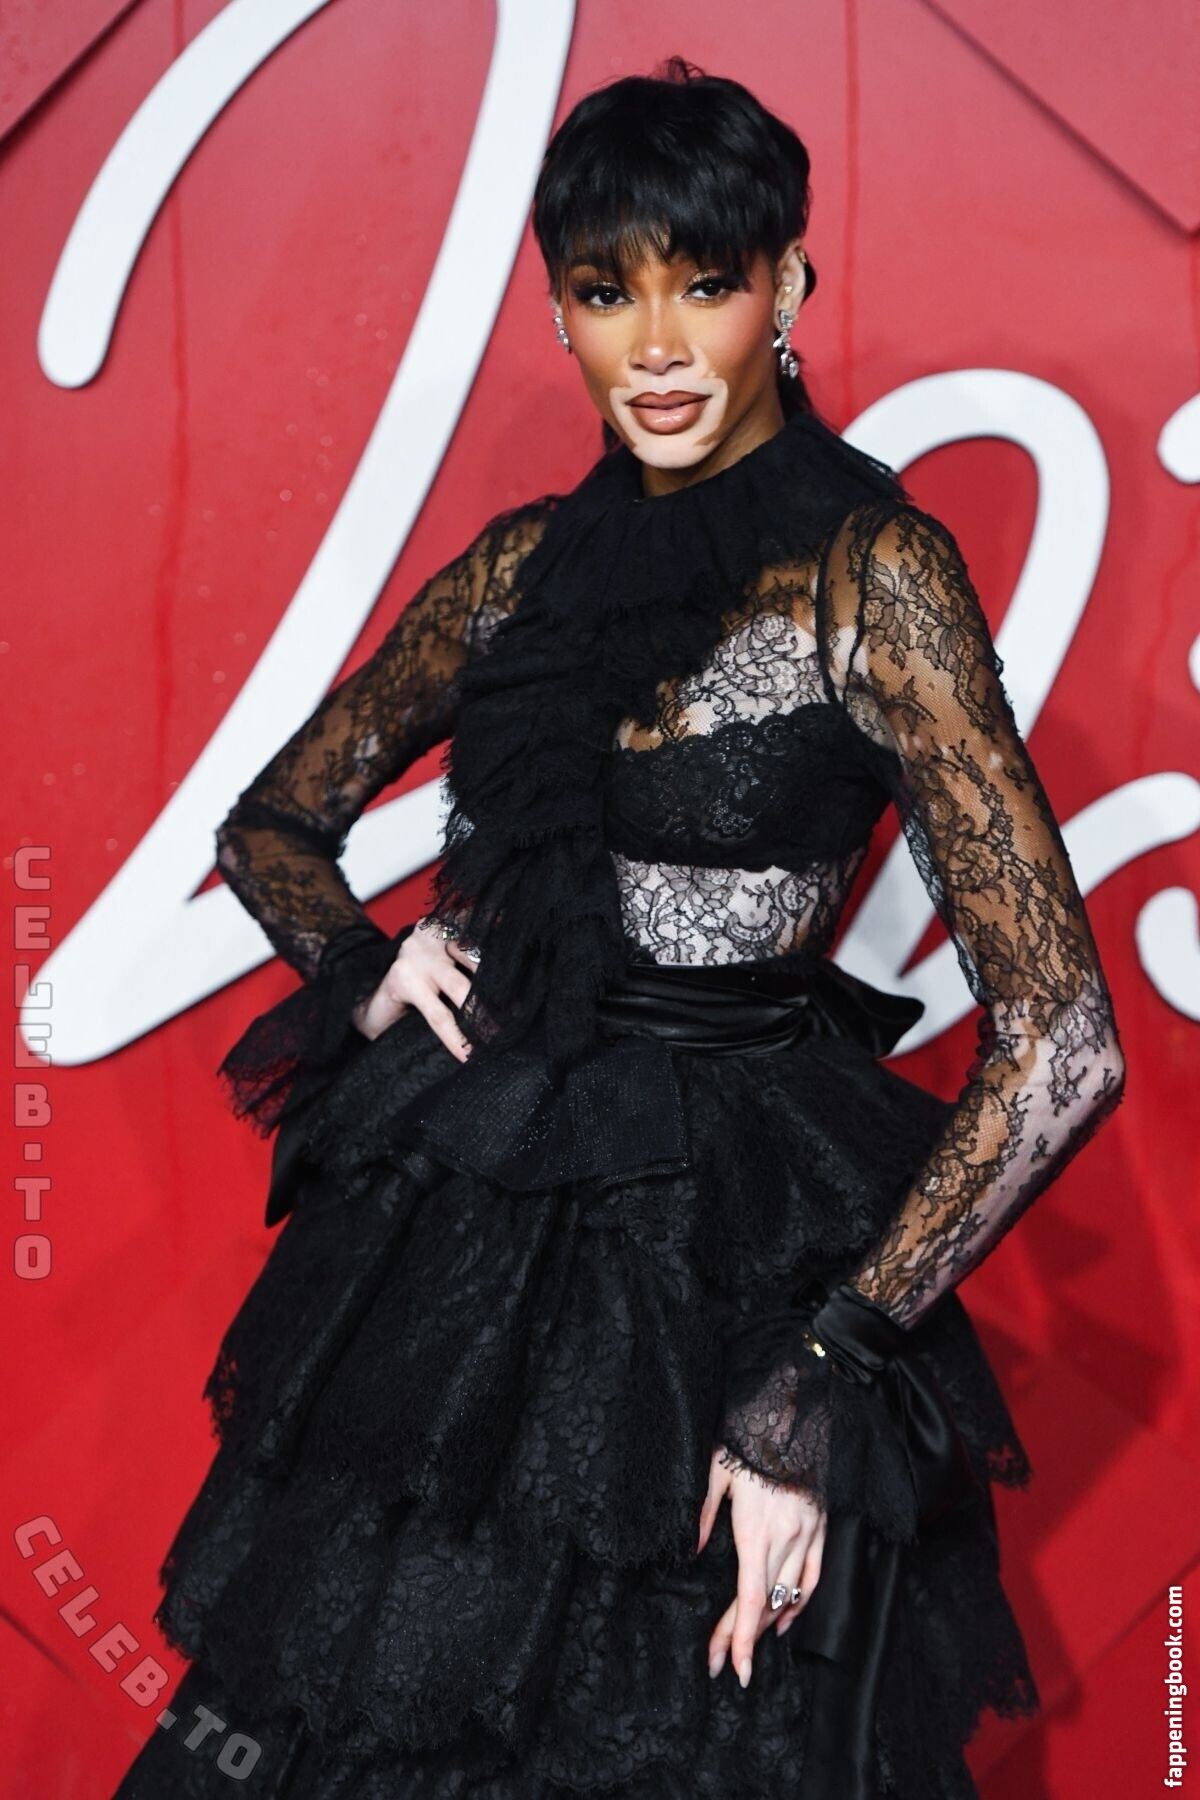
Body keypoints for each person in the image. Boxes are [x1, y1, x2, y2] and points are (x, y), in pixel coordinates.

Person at [112, 56, 1126, 1800]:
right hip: (481, 1242)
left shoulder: (873, 574)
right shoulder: (521, 572)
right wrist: (366, 966)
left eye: (703, 283)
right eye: (605, 292)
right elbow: (271, 823)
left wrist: (821, 1374)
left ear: (788, 287)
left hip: (737, 1268)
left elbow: (1064, 1045)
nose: (656, 345)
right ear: (560, 312)